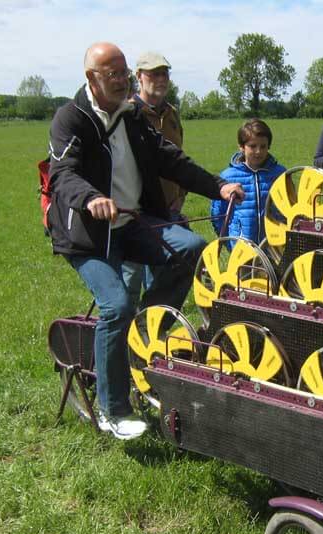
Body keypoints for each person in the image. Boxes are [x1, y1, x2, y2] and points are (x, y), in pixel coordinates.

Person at [47, 42, 244, 440]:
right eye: (113, 74)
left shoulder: (133, 115)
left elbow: (169, 158)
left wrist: (218, 186)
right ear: (91, 78)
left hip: (132, 222)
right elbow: (62, 175)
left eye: (124, 72)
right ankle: (112, 410)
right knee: (116, 305)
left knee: (190, 249)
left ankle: (146, 331)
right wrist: (91, 199)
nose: (122, 81)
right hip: (88, 235)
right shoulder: (70, 119)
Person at [121, 51, 186, 309]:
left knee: (164, 280)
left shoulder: (172, 114)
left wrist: (180, 196)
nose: (160, 79)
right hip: (134, 214)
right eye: (154, 74)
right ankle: (124, 340)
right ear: (139, 77)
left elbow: (180, 159)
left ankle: (151, 336)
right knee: (128, 283)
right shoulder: (127, 113)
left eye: (164, 74)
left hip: (169, 211)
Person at [210, 119, 287, 243]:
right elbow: (218, 215)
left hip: (273, 245)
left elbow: (289, 210)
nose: (258, 151)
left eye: (263, 146)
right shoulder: (228, 177)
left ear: (269, 146)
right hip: (241, 247)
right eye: (252, 146)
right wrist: (229, 242)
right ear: (241, 147)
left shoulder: (280, 174)